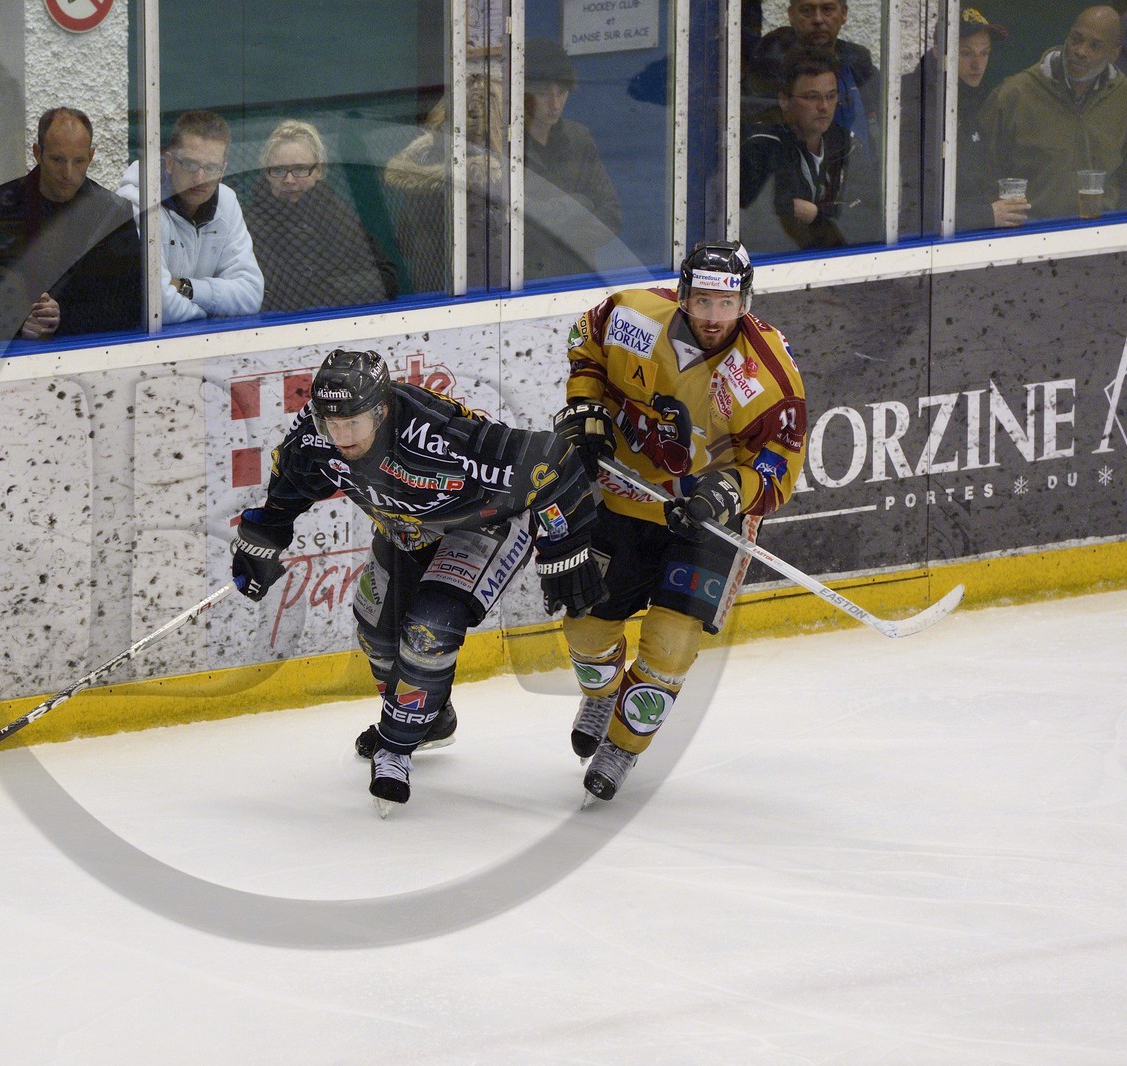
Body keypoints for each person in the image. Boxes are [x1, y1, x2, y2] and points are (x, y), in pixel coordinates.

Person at [230, 348, 607, 811]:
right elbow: (284, 497)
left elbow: (554, 462)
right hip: (407, 528)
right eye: (333, 423)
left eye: (354, 423)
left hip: (484, 524)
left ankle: (396, 745)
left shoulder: (439, 435)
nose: (342, 436)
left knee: (430, 628)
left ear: (382, 410)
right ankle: (430, 720)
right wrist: (259, 546)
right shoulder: (313, 438)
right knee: (375, 628)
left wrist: (565, 552)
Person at [551, 241, 806, 802]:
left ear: (746, 301)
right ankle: (601, 693)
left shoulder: (768, 376)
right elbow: (584, 343)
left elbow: (778, 469)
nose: (713, 316)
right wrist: (587, 404)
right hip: (619, 498)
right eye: (702, 299)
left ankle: (620, 748)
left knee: (670, 646)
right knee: (585, 625)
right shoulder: (633, 315)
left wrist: (725, 491)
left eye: (727, 302)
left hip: (705, 524)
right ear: (683, 292)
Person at [0, 107, 142, 344]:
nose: (68, 173)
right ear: (37, 153)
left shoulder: (113, 213)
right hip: (3, 351)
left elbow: (130, 301)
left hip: (83, 351)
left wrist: (63, 318)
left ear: (91, 156)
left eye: (78, 161)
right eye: (57, 159)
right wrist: (17, 321)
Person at [979, 5, 1127, 221]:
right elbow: (981, 175)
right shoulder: (1014, 95)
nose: (1080, 51)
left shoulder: (1122, 97)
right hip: (1030, 238)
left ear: (1114, 54)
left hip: (1102, 238)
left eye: (1095, 46)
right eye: (1076, 39)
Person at [117, 109, 264, 324]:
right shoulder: (137, 202)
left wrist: (187, 287)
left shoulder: (227, 202)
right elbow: (158, 306)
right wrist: (208, 313)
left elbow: (250, 295)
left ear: (223, 170)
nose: (200, 178)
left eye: (211, 168)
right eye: (190, 165)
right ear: (169, 162)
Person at [243, 119, 396, 313]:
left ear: (319, 170)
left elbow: (387, 280)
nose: (289, 180)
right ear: (266, 172)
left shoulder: (339, 215)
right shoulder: (248, 226)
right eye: (279, 170)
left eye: (300, 169)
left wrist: (325, 292)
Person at [900, 9, 1029, 235]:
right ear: (939, 52)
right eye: (966, 53)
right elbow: (915, 207)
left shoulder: (973, 97)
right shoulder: (916, 104)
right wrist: (986, 216)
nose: (977, 65)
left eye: (985, 53)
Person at [384, 75, 506, 293]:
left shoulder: (428, 157)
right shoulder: (488, 173)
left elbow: (405, 241)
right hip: (479, 291)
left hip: (431, 288)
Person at [741, 47, 864, 251]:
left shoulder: (847, 143)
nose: (824, 106)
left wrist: (815, 215)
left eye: (831, 96)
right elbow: (758, 228)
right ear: (784, 100)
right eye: (812, 97)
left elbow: (866, 216)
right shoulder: (761, 150)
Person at [521, 38, 623, 280]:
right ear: (523, 92)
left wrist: (555, 234)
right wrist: (580, 204)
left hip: (578, 276)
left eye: (562, 93)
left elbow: (612, 216)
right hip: (527, 280)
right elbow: (517, 228)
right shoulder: (505, 147)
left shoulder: (579, 139)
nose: (555, 104)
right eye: (543, 94)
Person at [744, 0, 880, 159]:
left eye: (827, 9)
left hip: (862, 177)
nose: (818, 19)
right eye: (807, 10)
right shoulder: (769, 69)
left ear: (843, 13)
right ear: (791, 15)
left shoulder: (860, 66)